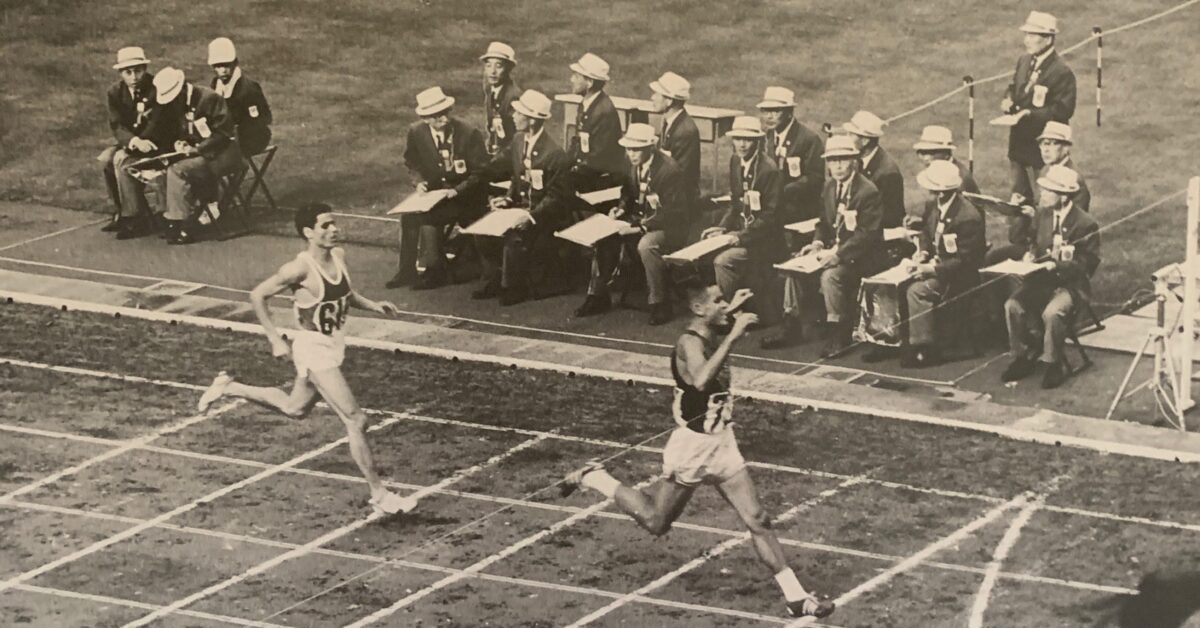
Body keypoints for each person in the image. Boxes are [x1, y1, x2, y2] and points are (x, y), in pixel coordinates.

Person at [560, 280, 835, 620]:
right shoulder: (688, 343)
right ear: (698, 309)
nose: (725, 306)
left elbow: (713, 333)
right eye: (717, 301)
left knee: (758, 518)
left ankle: (795, 597)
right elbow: (702, 380)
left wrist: (729, 310)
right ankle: (596, 477)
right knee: (656, 521)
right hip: (692, 447)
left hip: (721, 441)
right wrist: (734, 333)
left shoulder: (706, 329)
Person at [196, 203, 415, 515]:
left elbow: (345, 295)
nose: (333, 229)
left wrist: (374, 305)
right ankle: (379, 493)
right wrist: (274, 339)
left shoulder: (339, 257)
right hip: (312, 348)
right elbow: (258, 295)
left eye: (334, 223)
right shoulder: (297, 269)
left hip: (333, 345)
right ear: (308, 233)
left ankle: (229, 387)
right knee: (356, 419)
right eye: (325, 225)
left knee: (294, 409)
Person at [762, 135, 885, 355]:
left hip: (860, 258)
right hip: (831, 250)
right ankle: (792, 323)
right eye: (832, 160)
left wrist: (838, 255)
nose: (837, 166)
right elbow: (823, 222)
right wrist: (817, 242)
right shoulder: (829, 187)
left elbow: (867, 235)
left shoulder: (868, 192)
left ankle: (839, 331)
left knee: (831, 276)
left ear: (854, 161)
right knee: (793, 268)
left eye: (843, 160)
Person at [575, 123, 687, 324]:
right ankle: (597, 295)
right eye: (628, 149)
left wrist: (640, 227)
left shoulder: (670, 171)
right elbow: (627, 191)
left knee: (646, 245)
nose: (631, 154)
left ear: (650, 148)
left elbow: (674, 212)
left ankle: (659, 303)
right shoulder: (630, 164)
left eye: (636, 149)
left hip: (668, 226)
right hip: (639, 218)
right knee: (603, 232)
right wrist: (621, 208)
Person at [467, 89, 570, 306]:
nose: (513, 116)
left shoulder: (554, 154)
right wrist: (508, 199)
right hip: (519, 208)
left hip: (542, 217)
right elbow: (516, 176)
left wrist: (531, 217)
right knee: (482, 233)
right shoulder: (518, 140)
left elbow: (557, 197)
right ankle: (497, 277)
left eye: (519, 113)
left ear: (532, 120)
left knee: (514, 237)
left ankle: (514, 286)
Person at [1001, 165, 1099, 389]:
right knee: (1012, 305)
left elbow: (1087, 264)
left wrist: (1055, 265)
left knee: (1052, 312)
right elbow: (1031, 242)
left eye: (1047, 191)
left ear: (1063, 196)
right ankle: (1021, 356)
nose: (1041, 194)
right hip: (1041, 283)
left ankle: (1053, 363)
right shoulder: (1043, 215)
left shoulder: (1085, 223)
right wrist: (1031, 254)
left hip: (1070, 287)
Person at [392, 87, 488, 289]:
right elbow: (412, 161)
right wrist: (419, 181)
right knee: (408, 217)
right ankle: (406, 271)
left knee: (430, 219)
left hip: (465, 198)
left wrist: (457, 190)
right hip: (436, 194)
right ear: (426, 118)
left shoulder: (468, 133)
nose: (444, 119)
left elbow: (481, 172)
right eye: (437, 117)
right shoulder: (416, 132)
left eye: (445, 113)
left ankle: (435, 271)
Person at [892, 161, 985, 367]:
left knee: (917, 291)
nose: (927, 193)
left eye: (931, 190)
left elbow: (964, 261)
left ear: (941, 193)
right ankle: (904, 340)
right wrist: (923, 252)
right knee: (902, 282)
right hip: (939, 264)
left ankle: (924, 346)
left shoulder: (967, 217)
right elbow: (926, 231)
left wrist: (931, 269)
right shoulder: (935, 206)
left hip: (958, 276)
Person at [151, 67, 245, 244]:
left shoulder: (209, 98)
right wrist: (181, 143)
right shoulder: (179, 104)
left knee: (178, 170)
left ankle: (182, 224)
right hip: (199, 154)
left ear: (182, 89)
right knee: (164, 167)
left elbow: (223, 133)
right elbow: (186, 130)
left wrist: (198, 149)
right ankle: (168, 217)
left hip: (222, 154)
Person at [703, 116, 786, 317]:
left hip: (763, 239)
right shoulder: (735, 161)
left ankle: (731, 312)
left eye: (747, 139)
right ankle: (722, 303)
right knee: (706, 241)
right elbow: (735, 202)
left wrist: (740, 237)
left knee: (723, 260)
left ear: (757, 141)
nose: (741, 144)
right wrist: (722, 227)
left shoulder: (769, 170)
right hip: (742, 231)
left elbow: (770, 216)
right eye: (738, 138)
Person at [1001, 10, 1076, 205]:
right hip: (1018, 145)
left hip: (1042, 149)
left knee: (1044, 201)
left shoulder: (1061, 72)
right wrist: (1008, 99)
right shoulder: (1024, 61)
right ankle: (1021, 235)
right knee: (1019, 200)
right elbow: (1013, 87)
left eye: (1032, 35)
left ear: (1049, 39)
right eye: (1026, 34)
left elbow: (1063, 110)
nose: (1027, 40)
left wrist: (1030, 114)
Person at [101, 46, 159, 239]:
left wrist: (141, 142)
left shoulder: (156, 88)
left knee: (122, 162)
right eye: (128, 72)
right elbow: (117, 125)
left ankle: (135, 217)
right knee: (105, 160)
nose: (134, 76)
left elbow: (158, 122)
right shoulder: (115, 93)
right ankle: (120, 211)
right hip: (132, 142)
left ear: (145, 68)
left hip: (154, 142)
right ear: (121, 73)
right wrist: (133, 142)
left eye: (138, 70)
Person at [758, 86, 825, 227]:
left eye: (776, 111)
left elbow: (815, 178)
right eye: (766, 111)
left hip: (797, 209)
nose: (769, 117)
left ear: (789, 112)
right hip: (769, 205)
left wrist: (781, 192)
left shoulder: (809, 139)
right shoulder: (765, 137)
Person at [208, 37, 273, 157]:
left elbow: (261, 120)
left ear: (235, 63)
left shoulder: (248, 89)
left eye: (226, 65)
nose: (222, 71)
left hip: (251, 139)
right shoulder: (215, 84)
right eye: (217, 66)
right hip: (227, 136)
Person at [648, 72, 701, 212]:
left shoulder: (685, 131)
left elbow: (681, 175)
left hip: (679, 205)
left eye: (657, 94)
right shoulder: (669, 122)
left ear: (669, 101)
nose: (652, 98)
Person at [844, 111, 904, 228]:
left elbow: (890, 218)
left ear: (865, 141)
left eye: (851, 134)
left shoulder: (888, 173)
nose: (847, 138)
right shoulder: (857, 160)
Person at [911, 125, 979, 196]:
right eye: (921, 152)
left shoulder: (959, 178)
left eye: (932, 152)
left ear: (946, 153)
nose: (925, 158)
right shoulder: (934, 170)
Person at [480, 41, 521, 157]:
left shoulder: (513, 96)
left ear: (508, 69)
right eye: (488, 65)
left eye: (499, 66)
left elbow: (518, 137)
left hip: (510, 154)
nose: (492, 71)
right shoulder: (490, 89)